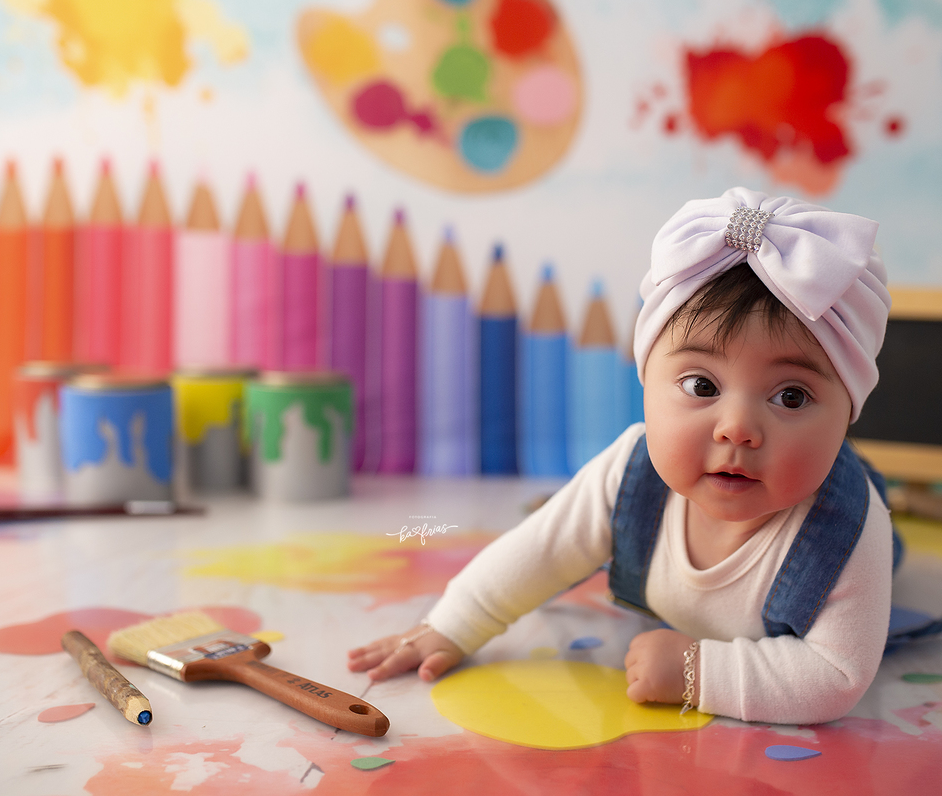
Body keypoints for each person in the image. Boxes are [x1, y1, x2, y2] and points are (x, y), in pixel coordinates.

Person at [348, 188, 894, 725]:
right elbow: (538, 551)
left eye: (790, 397)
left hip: (853, 544)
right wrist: (452, 625)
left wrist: (697, 671)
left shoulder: (849, 527)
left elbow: (836, 673)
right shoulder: (629, 471)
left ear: (848, 412)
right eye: (702, 385)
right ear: (645, 385)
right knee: (568, 520)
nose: (737, 429)